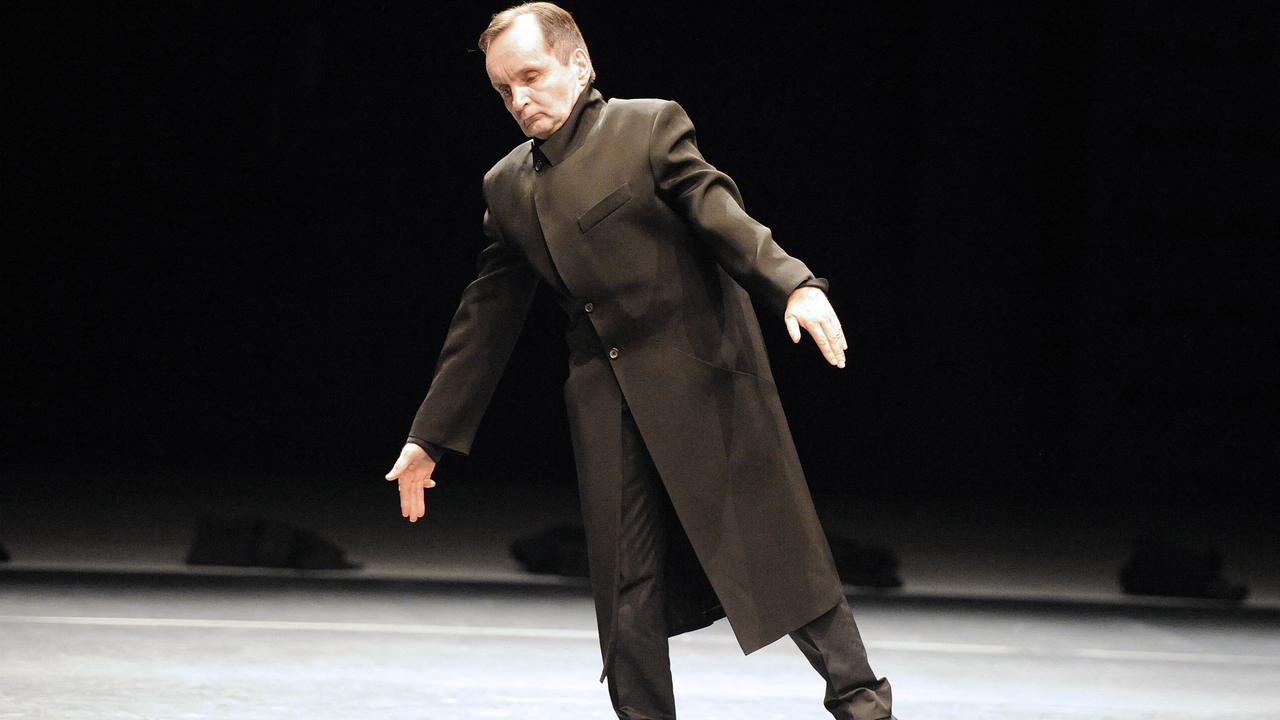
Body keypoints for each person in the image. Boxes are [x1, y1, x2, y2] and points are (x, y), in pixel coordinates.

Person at [383, 4, 896, 718]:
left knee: (775, 554)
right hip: (605, 396)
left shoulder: (646, 127)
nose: (519, 99)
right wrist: (428, 436)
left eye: (531, 77)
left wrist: (794, 283)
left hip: (702, 376)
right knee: (626, 584)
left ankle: (862, 702)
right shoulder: (508, 186)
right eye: (503, 89)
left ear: (578, 64)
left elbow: (720, 215)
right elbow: (485, 317)